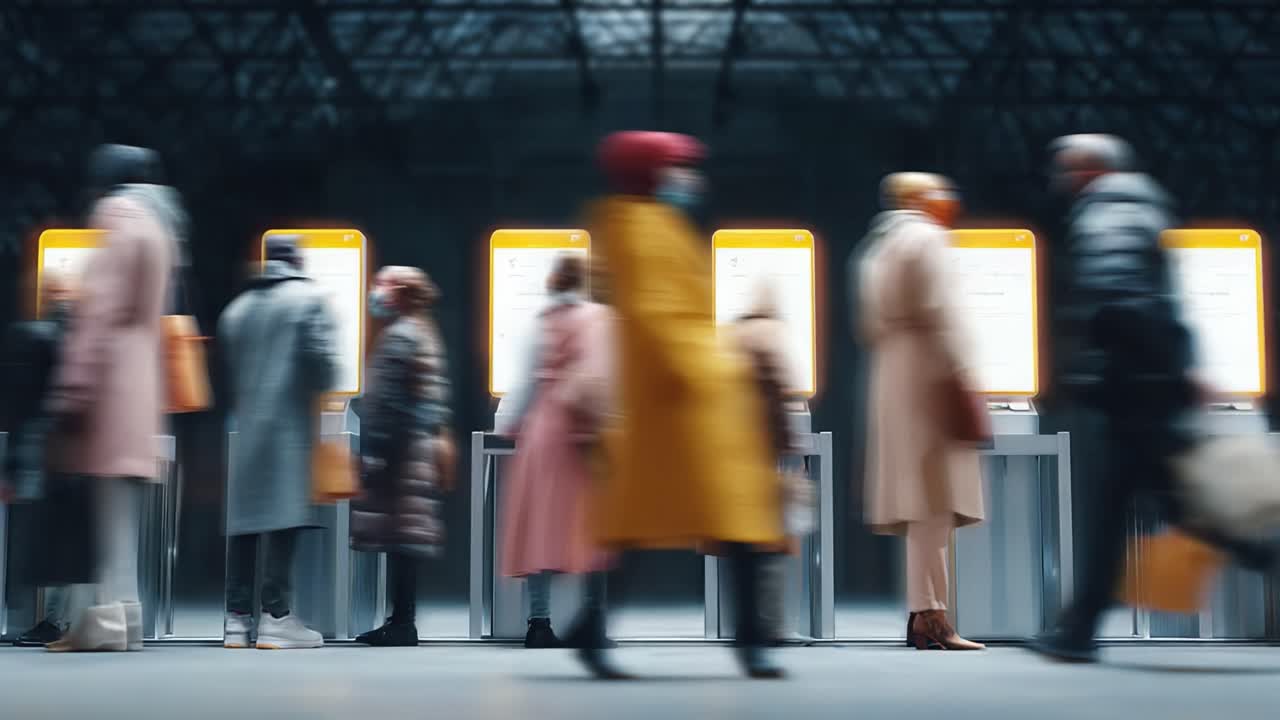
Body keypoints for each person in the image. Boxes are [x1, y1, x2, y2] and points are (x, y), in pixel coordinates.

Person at [1030, 134, 1276, 663]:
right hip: (1152, 382)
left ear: (1091, 170)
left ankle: (1079, 630)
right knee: (1166, 504)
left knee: (1128, 505)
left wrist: (1106, 363)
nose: (1062, 180)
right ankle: (1079, 628)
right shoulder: (1143, 205)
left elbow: (1120, 299)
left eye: (1069, 169)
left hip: (1134, 386)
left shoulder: (1107, 213)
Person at [581, 130, 786, 679]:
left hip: (686, 398)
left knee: (657, 521)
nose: (689, 178)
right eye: (677, 167)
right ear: (652, 174)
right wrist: (707, 369)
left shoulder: (646, 224)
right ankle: (751, 643)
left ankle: (592, 627)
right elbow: (655, 311)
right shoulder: (641, 229)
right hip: (685, 399)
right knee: (729, 518)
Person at [44, 144, 179, 652]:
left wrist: (72, 383)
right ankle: (124, 619)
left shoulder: (119, 219)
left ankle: (104, 625)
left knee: (105, 520)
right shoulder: (160, 226)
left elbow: (98, 309)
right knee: (121, 522)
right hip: (141, 382)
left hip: (112, 385)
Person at [855, 172, 986, 651]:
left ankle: (923, 614)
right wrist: (963, 373)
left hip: (892, 372)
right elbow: (944, 312)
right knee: (934, 501)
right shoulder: (928, 238)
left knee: (919, 502)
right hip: (930, 375)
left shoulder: (879, 245)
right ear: (921, 199)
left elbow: (868, 321)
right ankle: (932, 618)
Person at [219, 234, 338, 650]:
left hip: (248, 426)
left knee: (246, 523)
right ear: (298, 260)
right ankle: (277, 616)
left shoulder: (237, 310)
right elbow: (324, 368)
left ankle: (236, 620)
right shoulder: (308, 301)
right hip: (289, 429)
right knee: (282, 520)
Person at [496, 254, 616, 649]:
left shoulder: (541, 323)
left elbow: (526, 383)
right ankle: (594, 620)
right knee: (592, 531)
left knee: (541, 530)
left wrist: (508, 422)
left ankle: (539, 623)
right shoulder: (599, 320)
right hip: (586, 437)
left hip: (545, 433)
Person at [352, 265, 455, 646]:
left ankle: (401, 622)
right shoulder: (424, 332)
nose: (376, 292)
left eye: (383, 285)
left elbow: (388, 403)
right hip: (412, 451)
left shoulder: (401, 336)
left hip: (398, 455)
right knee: (403, 541)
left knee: (400, 541)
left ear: (399, 293)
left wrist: (375, 451)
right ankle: (400, 619)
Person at [1, 271, 90, 647]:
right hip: (67, 450)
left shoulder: (34, 337)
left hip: (45, 448)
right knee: (65, 536)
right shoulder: (76, 342)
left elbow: (23, 404)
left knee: (47, 534)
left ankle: (54, 618)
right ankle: (59, 617)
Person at [727, 279, 809, 643]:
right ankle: (771, 624)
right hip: (764, 454)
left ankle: (747, 625)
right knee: (774, 543)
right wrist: (789, 443)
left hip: (734, 452)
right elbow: (783, 388)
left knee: (743, 544)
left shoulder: (732, 334)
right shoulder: (773, 334)